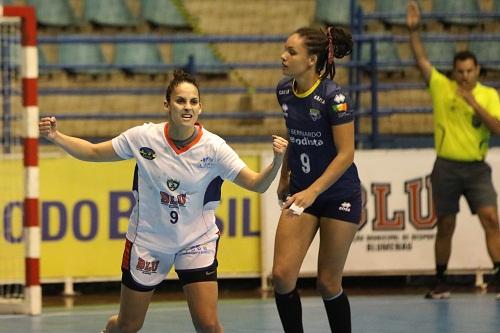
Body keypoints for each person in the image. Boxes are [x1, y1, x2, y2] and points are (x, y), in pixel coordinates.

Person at [39, 69, 288, 333]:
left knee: (208, 325)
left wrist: (277, 162)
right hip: (148, 241)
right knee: (128, 326)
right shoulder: (143, 138)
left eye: (193, 102)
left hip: (196, 241)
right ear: (167, 105)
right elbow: (92, 152)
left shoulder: (215, 149)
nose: (187, 107)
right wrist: (56, 136)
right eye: (181, 101)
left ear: (201, 107)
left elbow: (257, 184)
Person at [407, 1, 500, 300]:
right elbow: (422, 60)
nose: (464, 76)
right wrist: (414, 31)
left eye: (470, 71)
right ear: (454, 71)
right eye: (460, 71)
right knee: (445, 224)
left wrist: (473, 102)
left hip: (476, 167)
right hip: (446, 166)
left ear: (478, 70)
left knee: (491, 219)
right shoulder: (442, 87)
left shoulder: (488, 95)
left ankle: (498, 275)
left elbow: (497, 128)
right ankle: (441, 280)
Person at [272, 26, 361, 332]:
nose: (284, 56)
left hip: (339, 195)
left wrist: (313, 190)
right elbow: (293, 135)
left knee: (327, 282)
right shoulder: (284, 91)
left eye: (292, 52)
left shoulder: (334, 97)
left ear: (312, 60)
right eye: (285, 49)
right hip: (301, 192)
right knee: (282, 276)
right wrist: (286, 176)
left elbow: (346, 154)